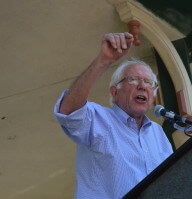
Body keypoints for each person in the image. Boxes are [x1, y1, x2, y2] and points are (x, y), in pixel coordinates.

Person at [54, 32, 173, 199]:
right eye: (133, 79)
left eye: (149, 83)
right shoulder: (98, 119)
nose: (142, 86)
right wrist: (103, 60)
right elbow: (68, 112)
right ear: (114, 91)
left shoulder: (158, 133)